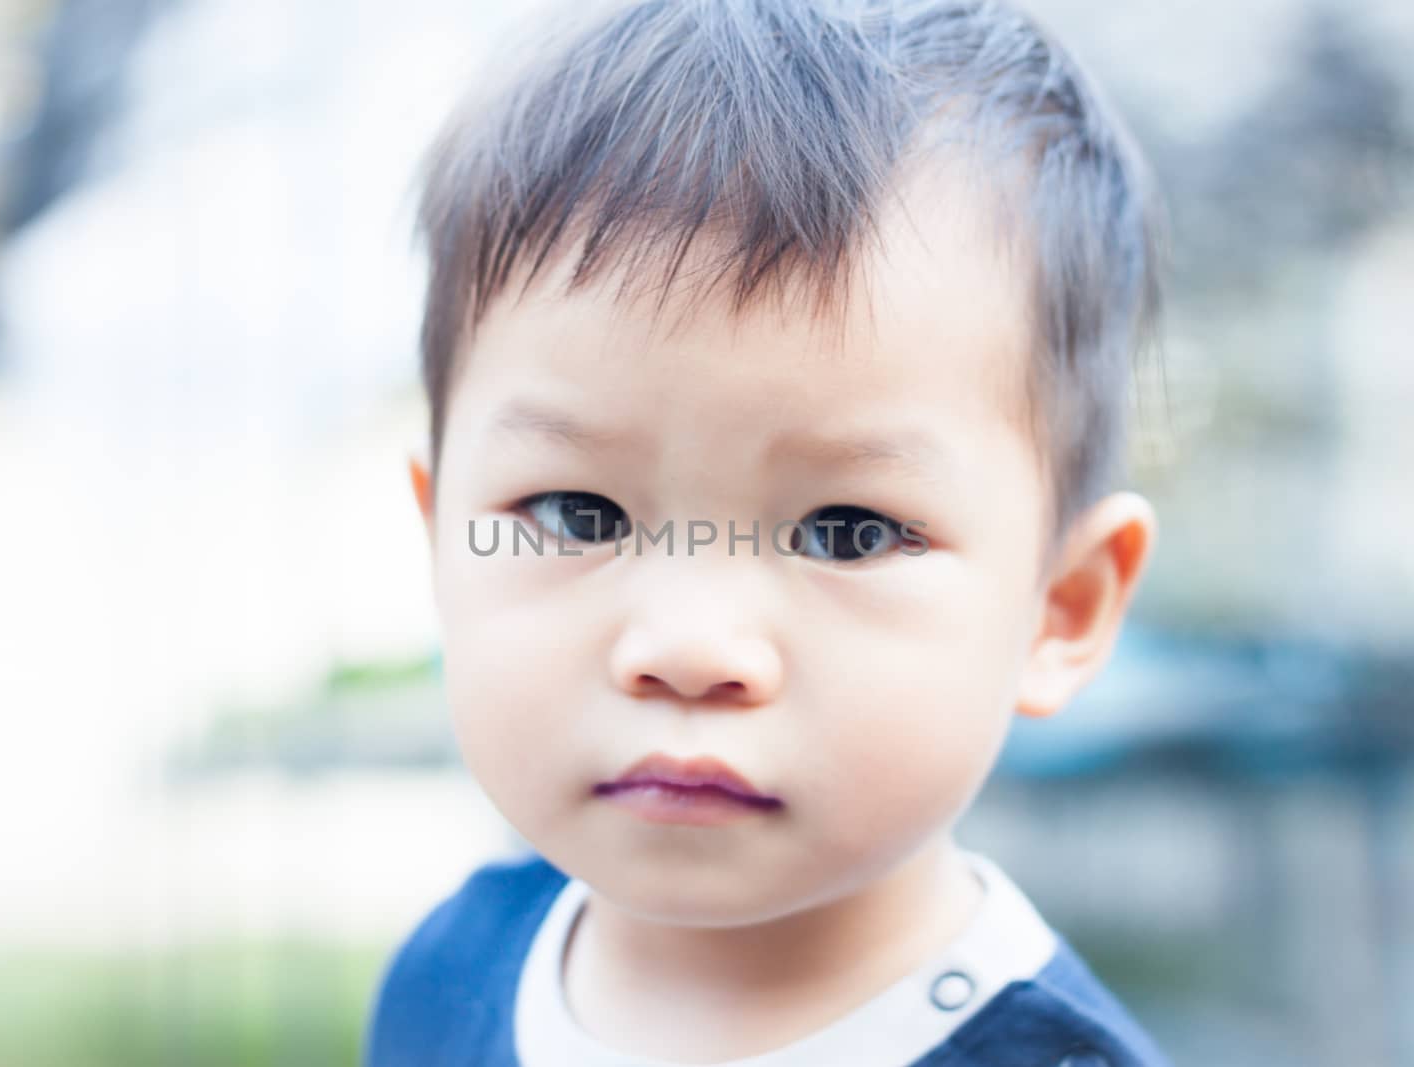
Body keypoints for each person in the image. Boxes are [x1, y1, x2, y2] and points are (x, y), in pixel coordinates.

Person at [368, 0, 1172, 1063]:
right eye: (575, 513)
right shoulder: (450, 971)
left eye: (846, 530)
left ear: (1060, 607)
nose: (687, 645)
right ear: (439, 541)